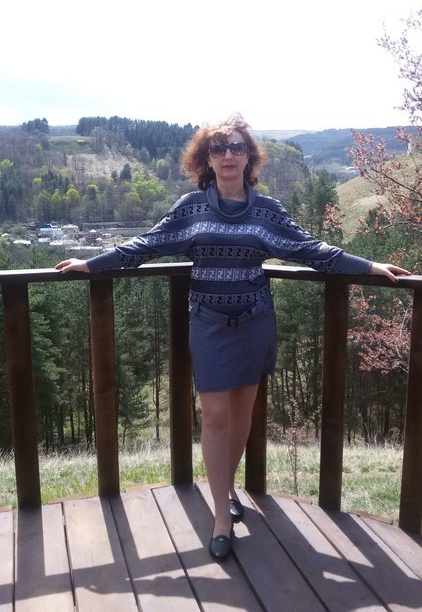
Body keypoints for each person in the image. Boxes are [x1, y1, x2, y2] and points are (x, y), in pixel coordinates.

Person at [55, 114, 410, 561]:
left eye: (236, 147)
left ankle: (226, 490)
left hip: (255, 321)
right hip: (208, 323)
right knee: (215, 415)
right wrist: (92, 264)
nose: (227, 155)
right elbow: (146, 244)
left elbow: (311, 250)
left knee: (242, 414)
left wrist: (369, 266)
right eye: (218, 149)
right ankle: (221, 517)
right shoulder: (191, 207)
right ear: (206, 159)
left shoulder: (268, 210)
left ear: (249, 158)